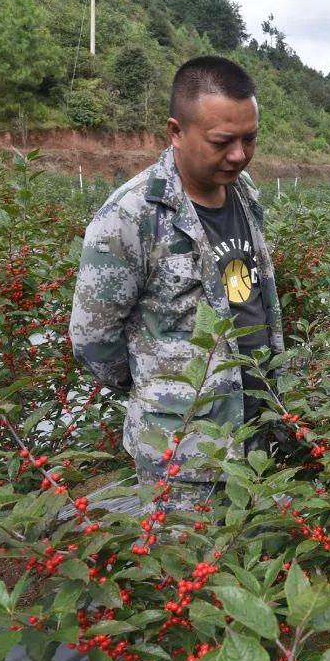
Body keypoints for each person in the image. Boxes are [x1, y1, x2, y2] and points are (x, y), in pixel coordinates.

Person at [70, 56, 286, 511]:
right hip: (186, 457)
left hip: (257, 430)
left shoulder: (243, 191)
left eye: (250, 139)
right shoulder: (130, 217)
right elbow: (93, 339)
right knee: (187, 572)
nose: (239, 154)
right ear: (176, 131)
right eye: (223, 141)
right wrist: (161, 393)